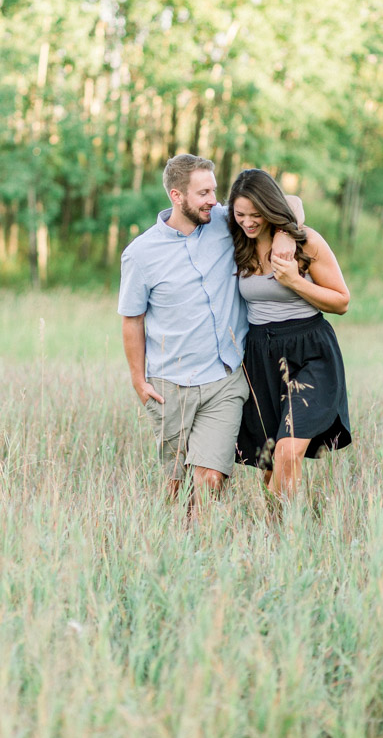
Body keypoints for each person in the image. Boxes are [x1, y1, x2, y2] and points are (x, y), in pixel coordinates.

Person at [118, 154, 297, 513]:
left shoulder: (223, 220)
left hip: (225, 379)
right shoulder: (140, 254)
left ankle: (206, 550)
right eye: (203, 192)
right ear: (176, 195)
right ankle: (175, 548)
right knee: (174, 485)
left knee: (211, 481)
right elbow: (131, 319)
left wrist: (283, 234)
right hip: (170, 384)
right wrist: (139, 381)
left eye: (214, 190)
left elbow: (289, 204)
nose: (213, 200)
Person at [228, 169, 352, 498]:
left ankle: (290, 535)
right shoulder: (237, 241)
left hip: (309, 352)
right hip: (259, 356)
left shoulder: (304, 241)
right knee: (272, 464)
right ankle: (276, 531)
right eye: (240, 214)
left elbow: (342, 302)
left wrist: (295, 282)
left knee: (287, 451)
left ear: (270, 208)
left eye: (256, 214)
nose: (248, 222)